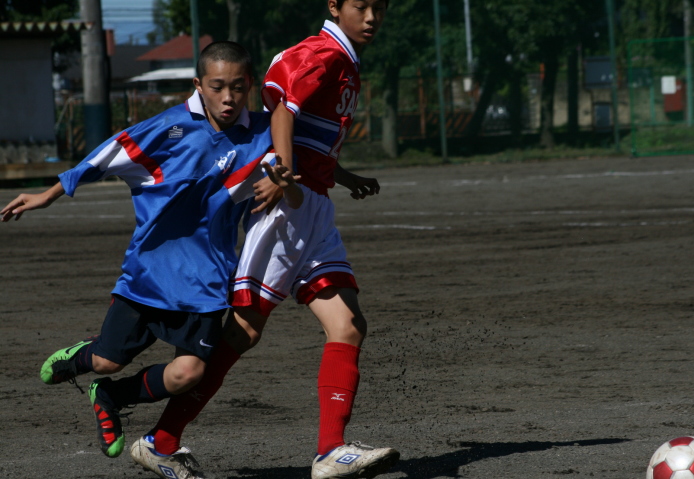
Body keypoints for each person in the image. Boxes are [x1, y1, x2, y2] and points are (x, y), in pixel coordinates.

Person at [131, 1, 399, 478]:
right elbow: (282, 108)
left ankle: (330, 452)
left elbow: (309, 136)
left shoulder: (344, 59)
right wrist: (283, 171)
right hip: (288, 209)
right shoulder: (322, 53)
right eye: (361, 6)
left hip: (314, 206)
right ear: (335, 6)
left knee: (348, 325)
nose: (372, 16)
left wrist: (343, 175)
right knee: (243, 331)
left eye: (379, 7)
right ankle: (160, 440)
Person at [0, 41, 301, 467]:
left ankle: (111, 396)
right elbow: (107, 154)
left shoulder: (264, 132)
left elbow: (296, 128)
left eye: (238, 87)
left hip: (206, 282)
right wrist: (49, 194)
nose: (228, 97)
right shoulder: (170, 126)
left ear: (250, 85)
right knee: (106, 360)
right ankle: (83, 358)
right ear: (199, 85)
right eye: (217, 87)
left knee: (189, 373)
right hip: (148, 273)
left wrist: (288, 177)